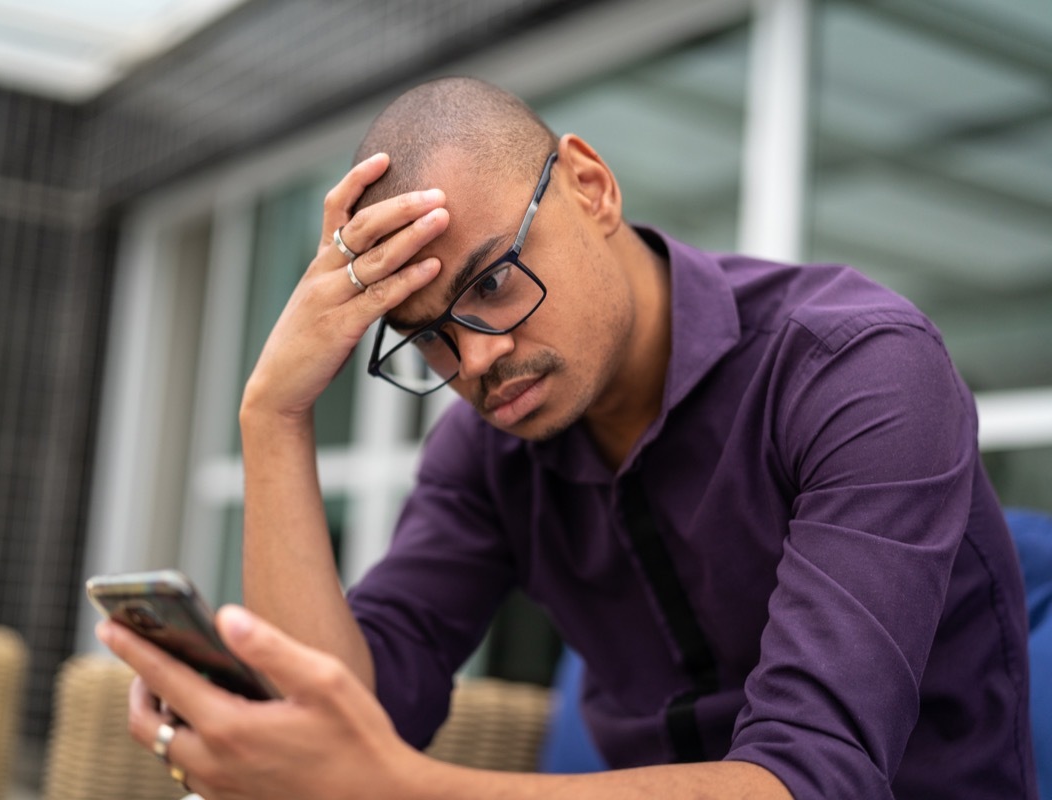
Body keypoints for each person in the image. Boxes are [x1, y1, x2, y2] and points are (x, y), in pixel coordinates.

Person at [98, 77, 1036, 799]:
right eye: (428, 337)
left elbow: (811, 780)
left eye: (495, 281)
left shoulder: (856, 369)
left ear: (590, 186)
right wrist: (275, 416)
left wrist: (391, 787)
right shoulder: (492, 450)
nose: (476, 361)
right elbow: (355, 704)